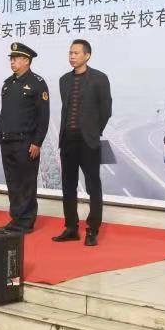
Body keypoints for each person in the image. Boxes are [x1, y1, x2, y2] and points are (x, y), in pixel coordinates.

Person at [53, 39, 112, 247]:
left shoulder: (99, 78)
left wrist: (94, 131)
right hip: (67, 140)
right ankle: (71, 227)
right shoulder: (64, 80)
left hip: (88, 141)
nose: (72, 56)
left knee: (93, 185)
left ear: (87, 55)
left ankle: (92, 229)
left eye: (76, 53)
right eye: (70, 53)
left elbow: (106, 110)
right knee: (68, 185)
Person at [0, 43, 49, 233]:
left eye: (16, 58)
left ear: (26, 61)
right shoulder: (8, 84)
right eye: (11, 59)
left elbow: (43, 116)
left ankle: (26, 222)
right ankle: (16, 219)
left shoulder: (37, 83)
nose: (12, 62)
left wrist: (37, 142)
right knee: (12, 182)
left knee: (26, 183)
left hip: (26, 143)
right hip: (8, 141)